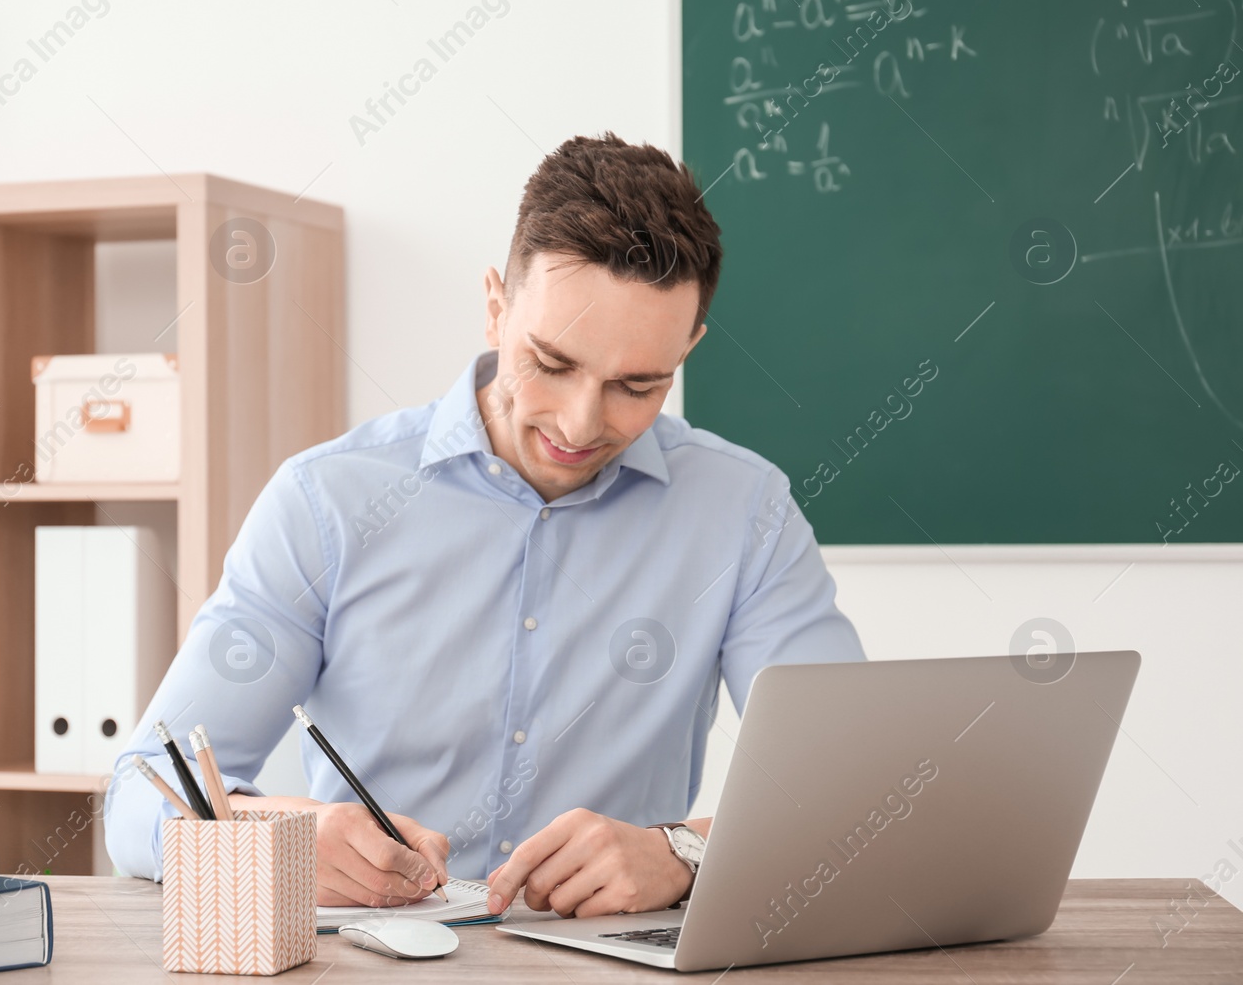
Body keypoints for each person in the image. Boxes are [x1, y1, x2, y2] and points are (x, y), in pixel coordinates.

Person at [104, 132, 865, 918]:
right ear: (497, 306)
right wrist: (278, 838)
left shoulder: (745, 512)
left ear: (689, 347)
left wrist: (686, 847)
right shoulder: (325, 501)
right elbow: (136, 799)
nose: (579, 423)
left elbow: (854, 788)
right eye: (552, 363)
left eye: (638, 385)